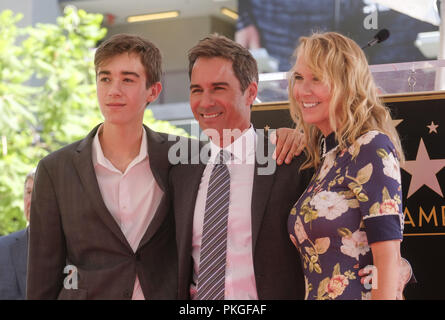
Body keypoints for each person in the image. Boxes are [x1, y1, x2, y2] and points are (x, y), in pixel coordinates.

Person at [27, 34, 177, 300]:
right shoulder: (55, 169)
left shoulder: (182, 158)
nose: (113, 90)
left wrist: (277, 134)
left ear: (153, 91)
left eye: (128, 79)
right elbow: (43, 271)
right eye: (105, 78)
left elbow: (241, 155)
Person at [170, 34, 312, 300]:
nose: (205, 102)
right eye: (197, 89)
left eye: (219, 88)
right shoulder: (180, 170)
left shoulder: (289, 160)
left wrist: (400, 267)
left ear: (251, 93)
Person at [287, 31, 405, 300]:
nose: (303, 90)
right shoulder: (326, 158)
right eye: (299, 78)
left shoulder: (371, 146)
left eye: (316, 78)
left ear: (346, 83)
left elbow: (388, 259)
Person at [0, 169, 35, 300]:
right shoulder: (2, 249)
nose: (31, 200)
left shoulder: (74, 251)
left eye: (39, 191)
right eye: (29, 192)